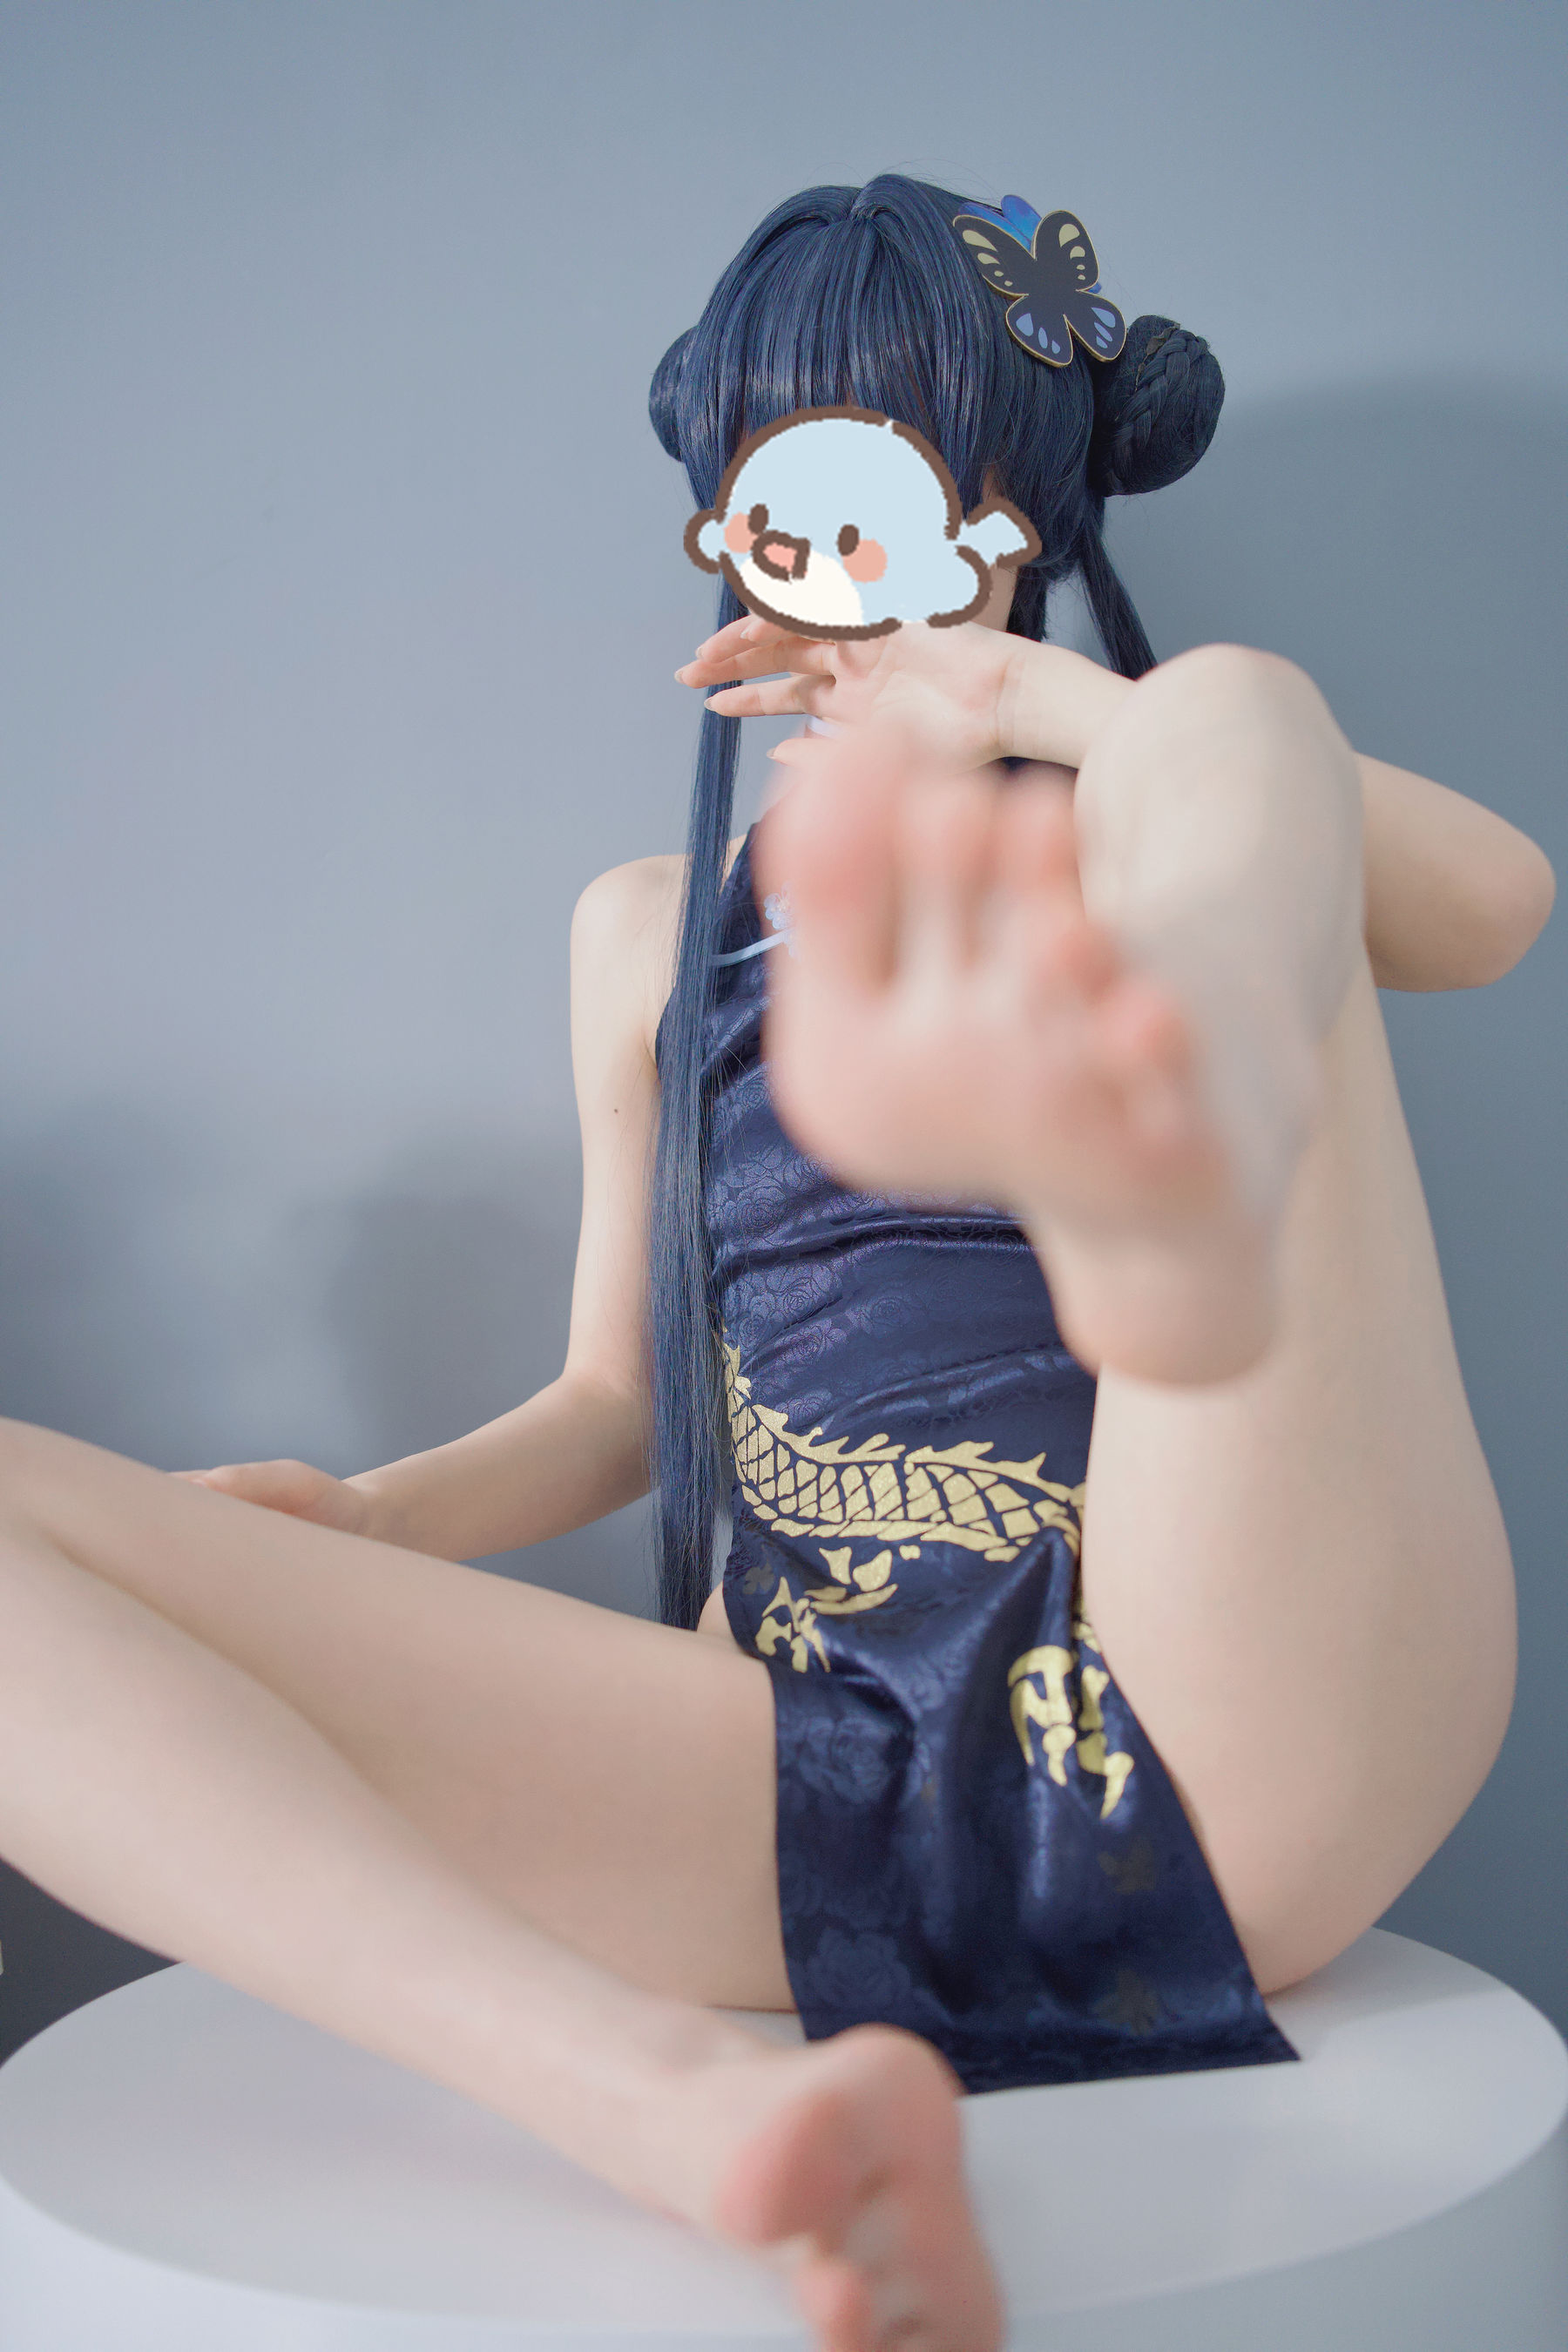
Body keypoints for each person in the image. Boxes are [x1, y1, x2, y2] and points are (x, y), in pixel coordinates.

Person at [0, 175, 1552, 2352]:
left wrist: (1018, 694)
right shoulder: (648, 929)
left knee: (1234, 712)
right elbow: (621, 1400)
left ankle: (1174, 1143)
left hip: (1213, 1692)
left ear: (1010, 503)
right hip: (818, 1769)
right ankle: (663, 2104)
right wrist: (370, 1525)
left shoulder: (1165, 780)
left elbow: (1492, 904)